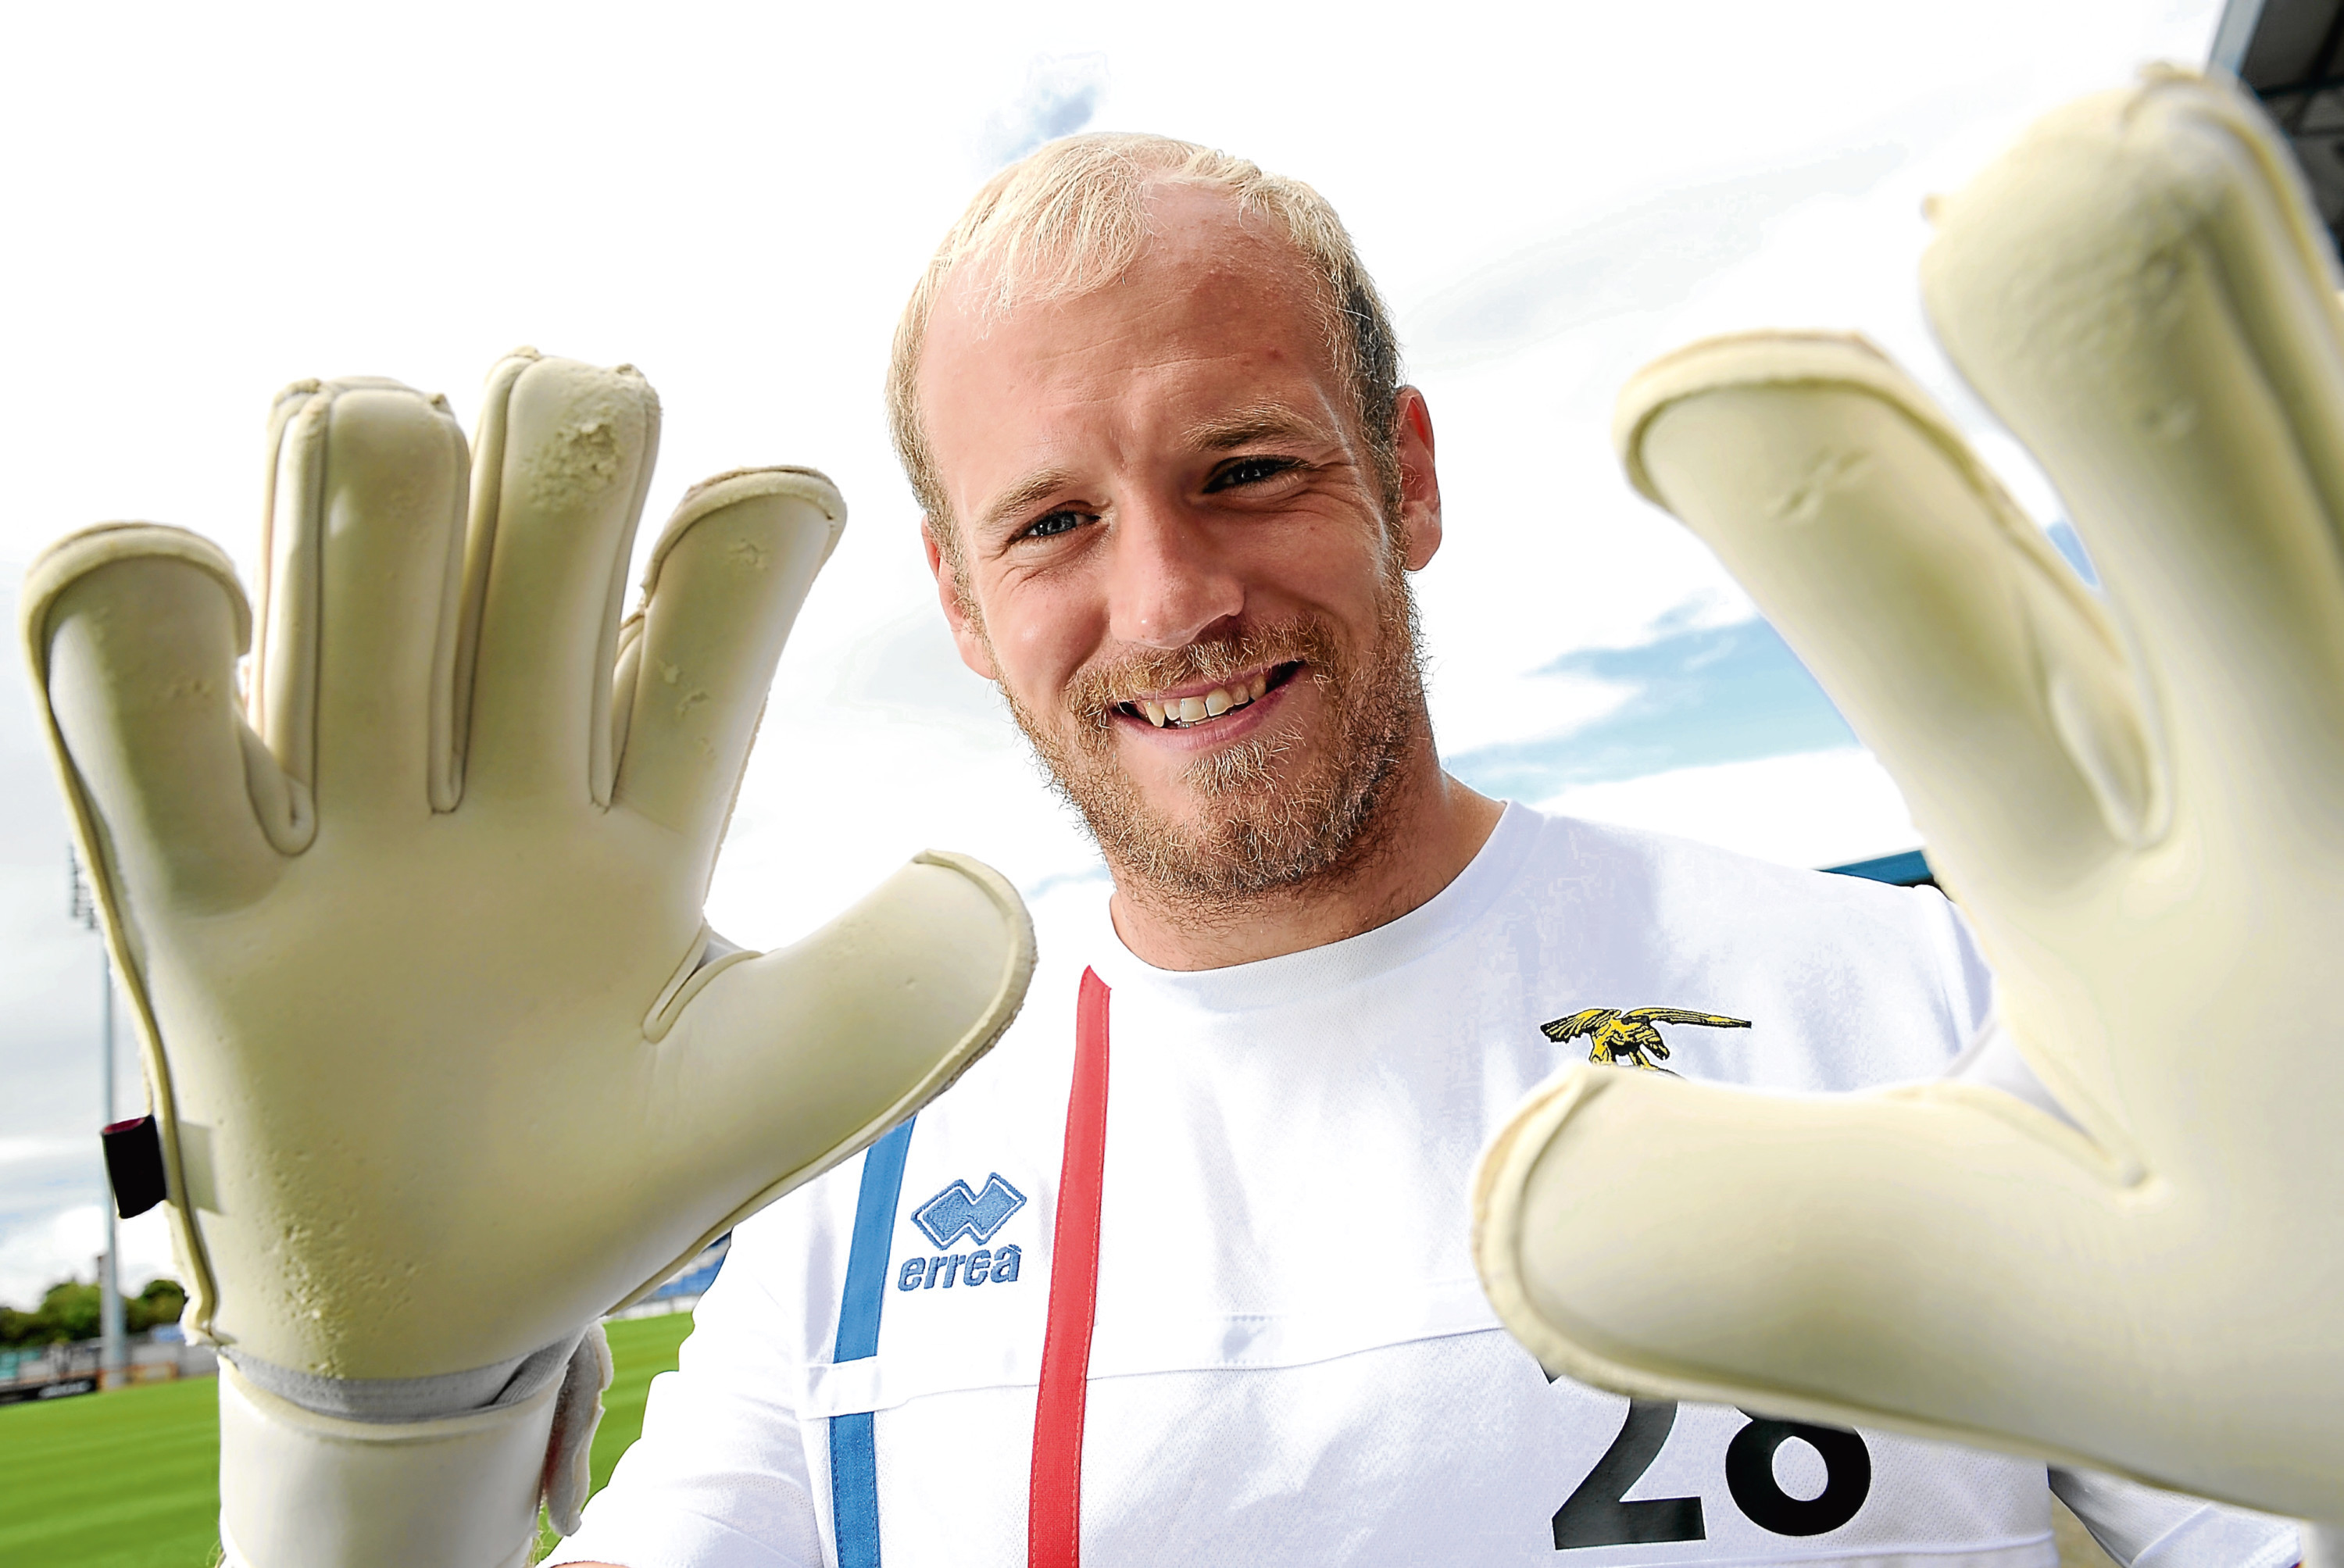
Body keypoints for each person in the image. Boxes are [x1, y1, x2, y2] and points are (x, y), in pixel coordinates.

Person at [551, 134, 2298, 1568]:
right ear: (959, 601)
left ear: (1407, 476)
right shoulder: (867, 1166)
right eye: (1056, 521)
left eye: (1244, 466)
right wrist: (378, 1431)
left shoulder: (1914, 996)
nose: (1171, 601)